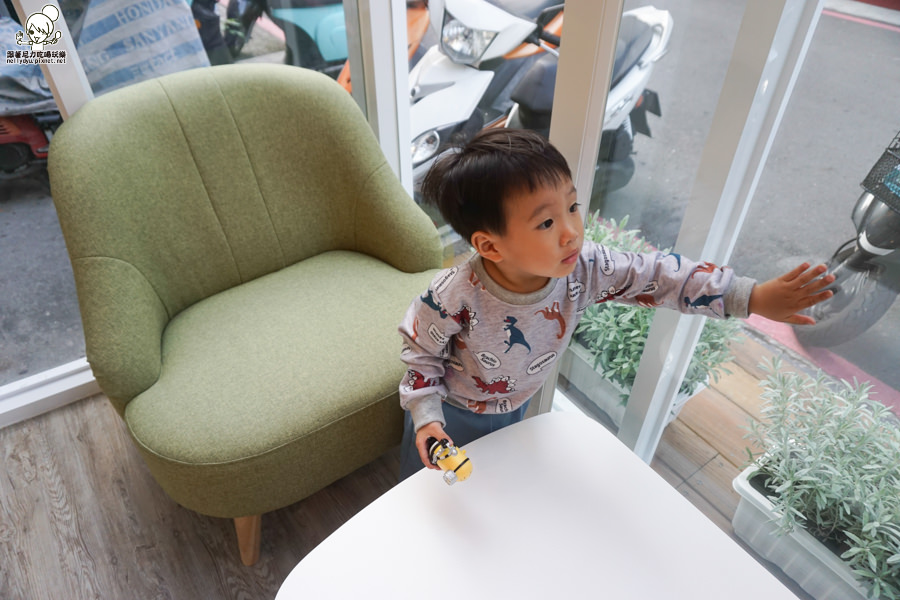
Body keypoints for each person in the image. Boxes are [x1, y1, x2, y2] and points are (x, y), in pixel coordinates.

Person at [397, 128, 834, 480]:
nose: (571, 231)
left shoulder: (586, 269)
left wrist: (751, 296)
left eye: (573, 206)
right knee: (429, 495)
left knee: (497, 485)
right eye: (547, 221)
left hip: (519, 404)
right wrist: (427, 418)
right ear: (490, 246)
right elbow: (421, 356)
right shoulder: (453, 295)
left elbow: (659, 274)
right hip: (453, 413)